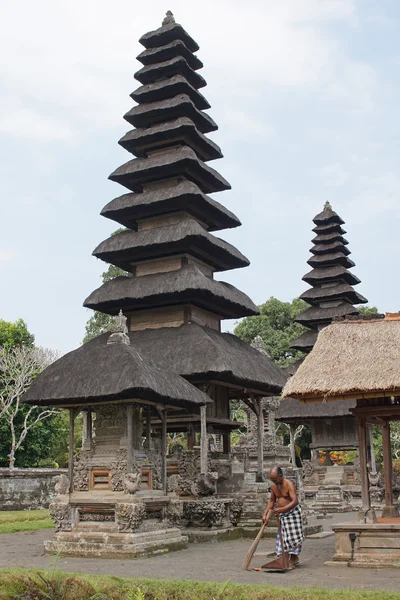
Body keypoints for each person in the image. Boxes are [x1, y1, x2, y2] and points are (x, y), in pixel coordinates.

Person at [262, 466, 304, 566]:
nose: (275, 483)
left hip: (292, 513)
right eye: (272, 481)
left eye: (276, 480)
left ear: (281, 476)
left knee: (293, 537)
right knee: (283, 536)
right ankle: (283, 558)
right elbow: (272, 501)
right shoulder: (274, 487)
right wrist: (265, 514)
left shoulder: (289, 484)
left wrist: (282, 509)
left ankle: (294, 557)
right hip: (282, 515)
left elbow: (295, 501)